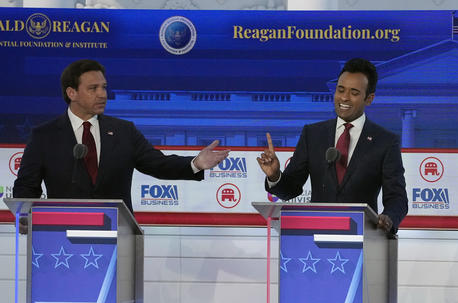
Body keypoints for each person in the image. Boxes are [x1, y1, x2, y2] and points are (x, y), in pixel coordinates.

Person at [13, 59, 229, 213]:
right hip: (61, 240)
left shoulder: (124, 131)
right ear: (72, 93)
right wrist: (25, 217)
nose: (103, 94)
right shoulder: (44, 136)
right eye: (93, 88)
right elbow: (26, 186)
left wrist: (196, 163)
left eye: (104, 87)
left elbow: (157, 164)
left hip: (116, 236)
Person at [256, 57, 407, 235]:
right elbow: (291, 189)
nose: (344, 97)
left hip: (363, 238)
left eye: (354, 92)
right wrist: (275, 176)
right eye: (340, 90)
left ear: (369, 99)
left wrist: (388, 218)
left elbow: (397, 197)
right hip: (315, 239)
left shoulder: (385, 141)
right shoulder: (312, 134)